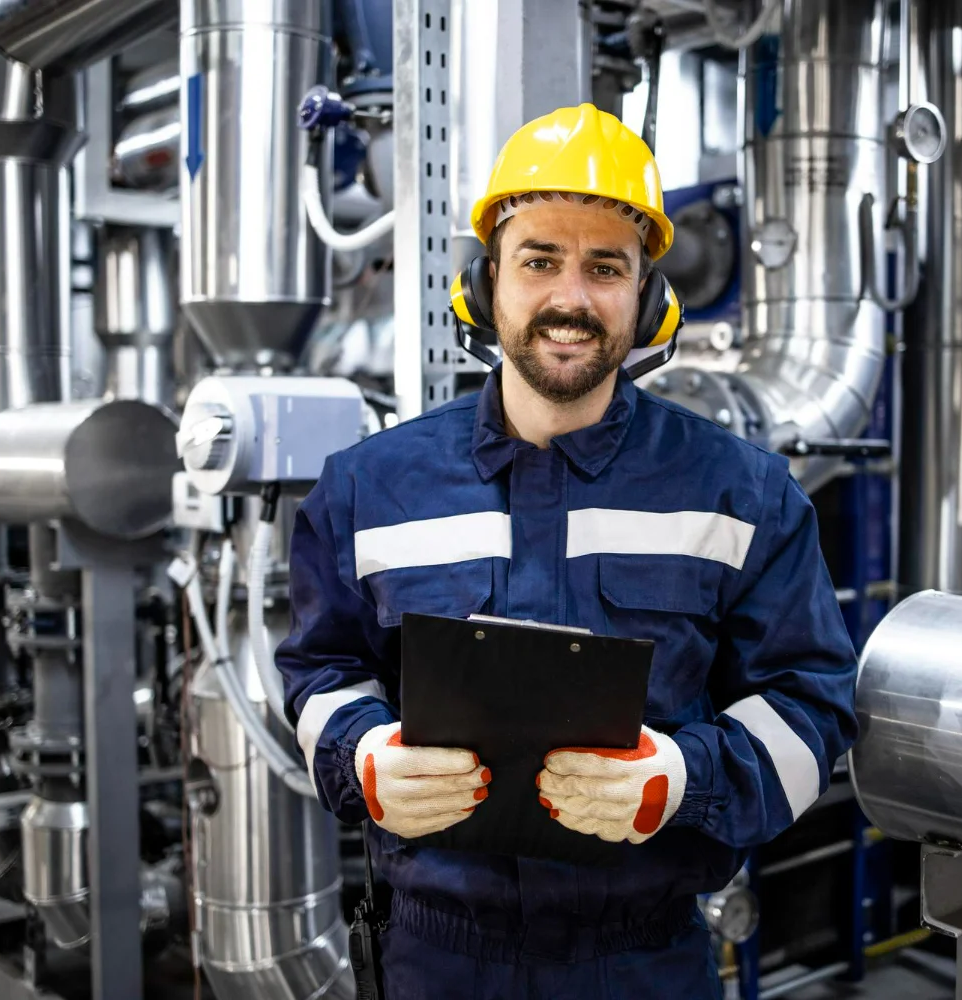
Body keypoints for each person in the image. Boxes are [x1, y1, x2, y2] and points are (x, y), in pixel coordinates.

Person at [276, 103, 858, 999]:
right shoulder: (366, 488)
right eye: (539, 260)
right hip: (436, 959)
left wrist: (684, 778)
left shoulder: (742, 494)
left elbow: (811, 708)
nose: (571, 298)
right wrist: (361, 754)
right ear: (486, 284)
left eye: (605, 267)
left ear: (649, 298)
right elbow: (321, 673)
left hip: (644, 959)